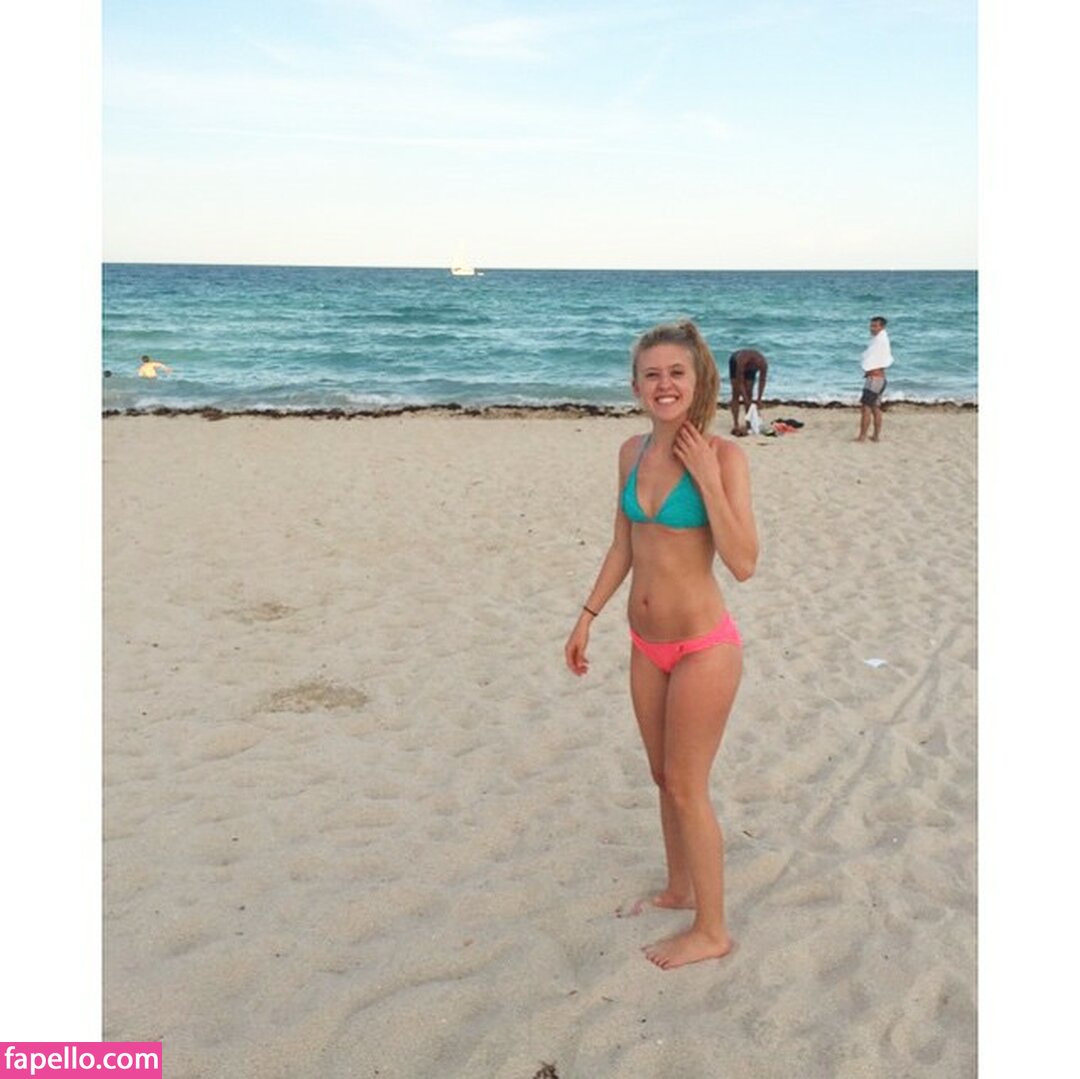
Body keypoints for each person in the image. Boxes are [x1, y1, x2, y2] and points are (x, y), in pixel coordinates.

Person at [564, 320, 758, 970]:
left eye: (676, 372)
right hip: (646, 644)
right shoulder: (630, 451)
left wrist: (705, 477)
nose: (664, 384)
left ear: (698, 380)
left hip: (704, 647)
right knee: (662, 777)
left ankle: (712, 929)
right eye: (652, 374)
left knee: (687, 785)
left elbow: (744, 562)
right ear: (636, 386)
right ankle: (680, 888)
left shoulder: (724, 457)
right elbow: (624, 545)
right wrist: (587, 615)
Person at [856, 317, 893, 442]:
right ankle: (876, 437)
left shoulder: (881, 339)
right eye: (871, 326)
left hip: (874, 380)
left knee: (866, 408)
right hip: (880, 379)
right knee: (875, 407)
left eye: (875, 326)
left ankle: (862, 436)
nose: (872, 328)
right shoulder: (881, 339)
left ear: (882, 327)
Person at [728, 349, 768, 436]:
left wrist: (759, 399)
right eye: (750, 368)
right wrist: (745, 399)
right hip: (735, 362)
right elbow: (740, 382)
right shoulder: (741, 360)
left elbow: (762, 380)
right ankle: (736, 423)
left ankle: (748, 424)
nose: (750, 370)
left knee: (749, 393)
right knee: (736, 393)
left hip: (749, 363)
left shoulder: (763, 363)